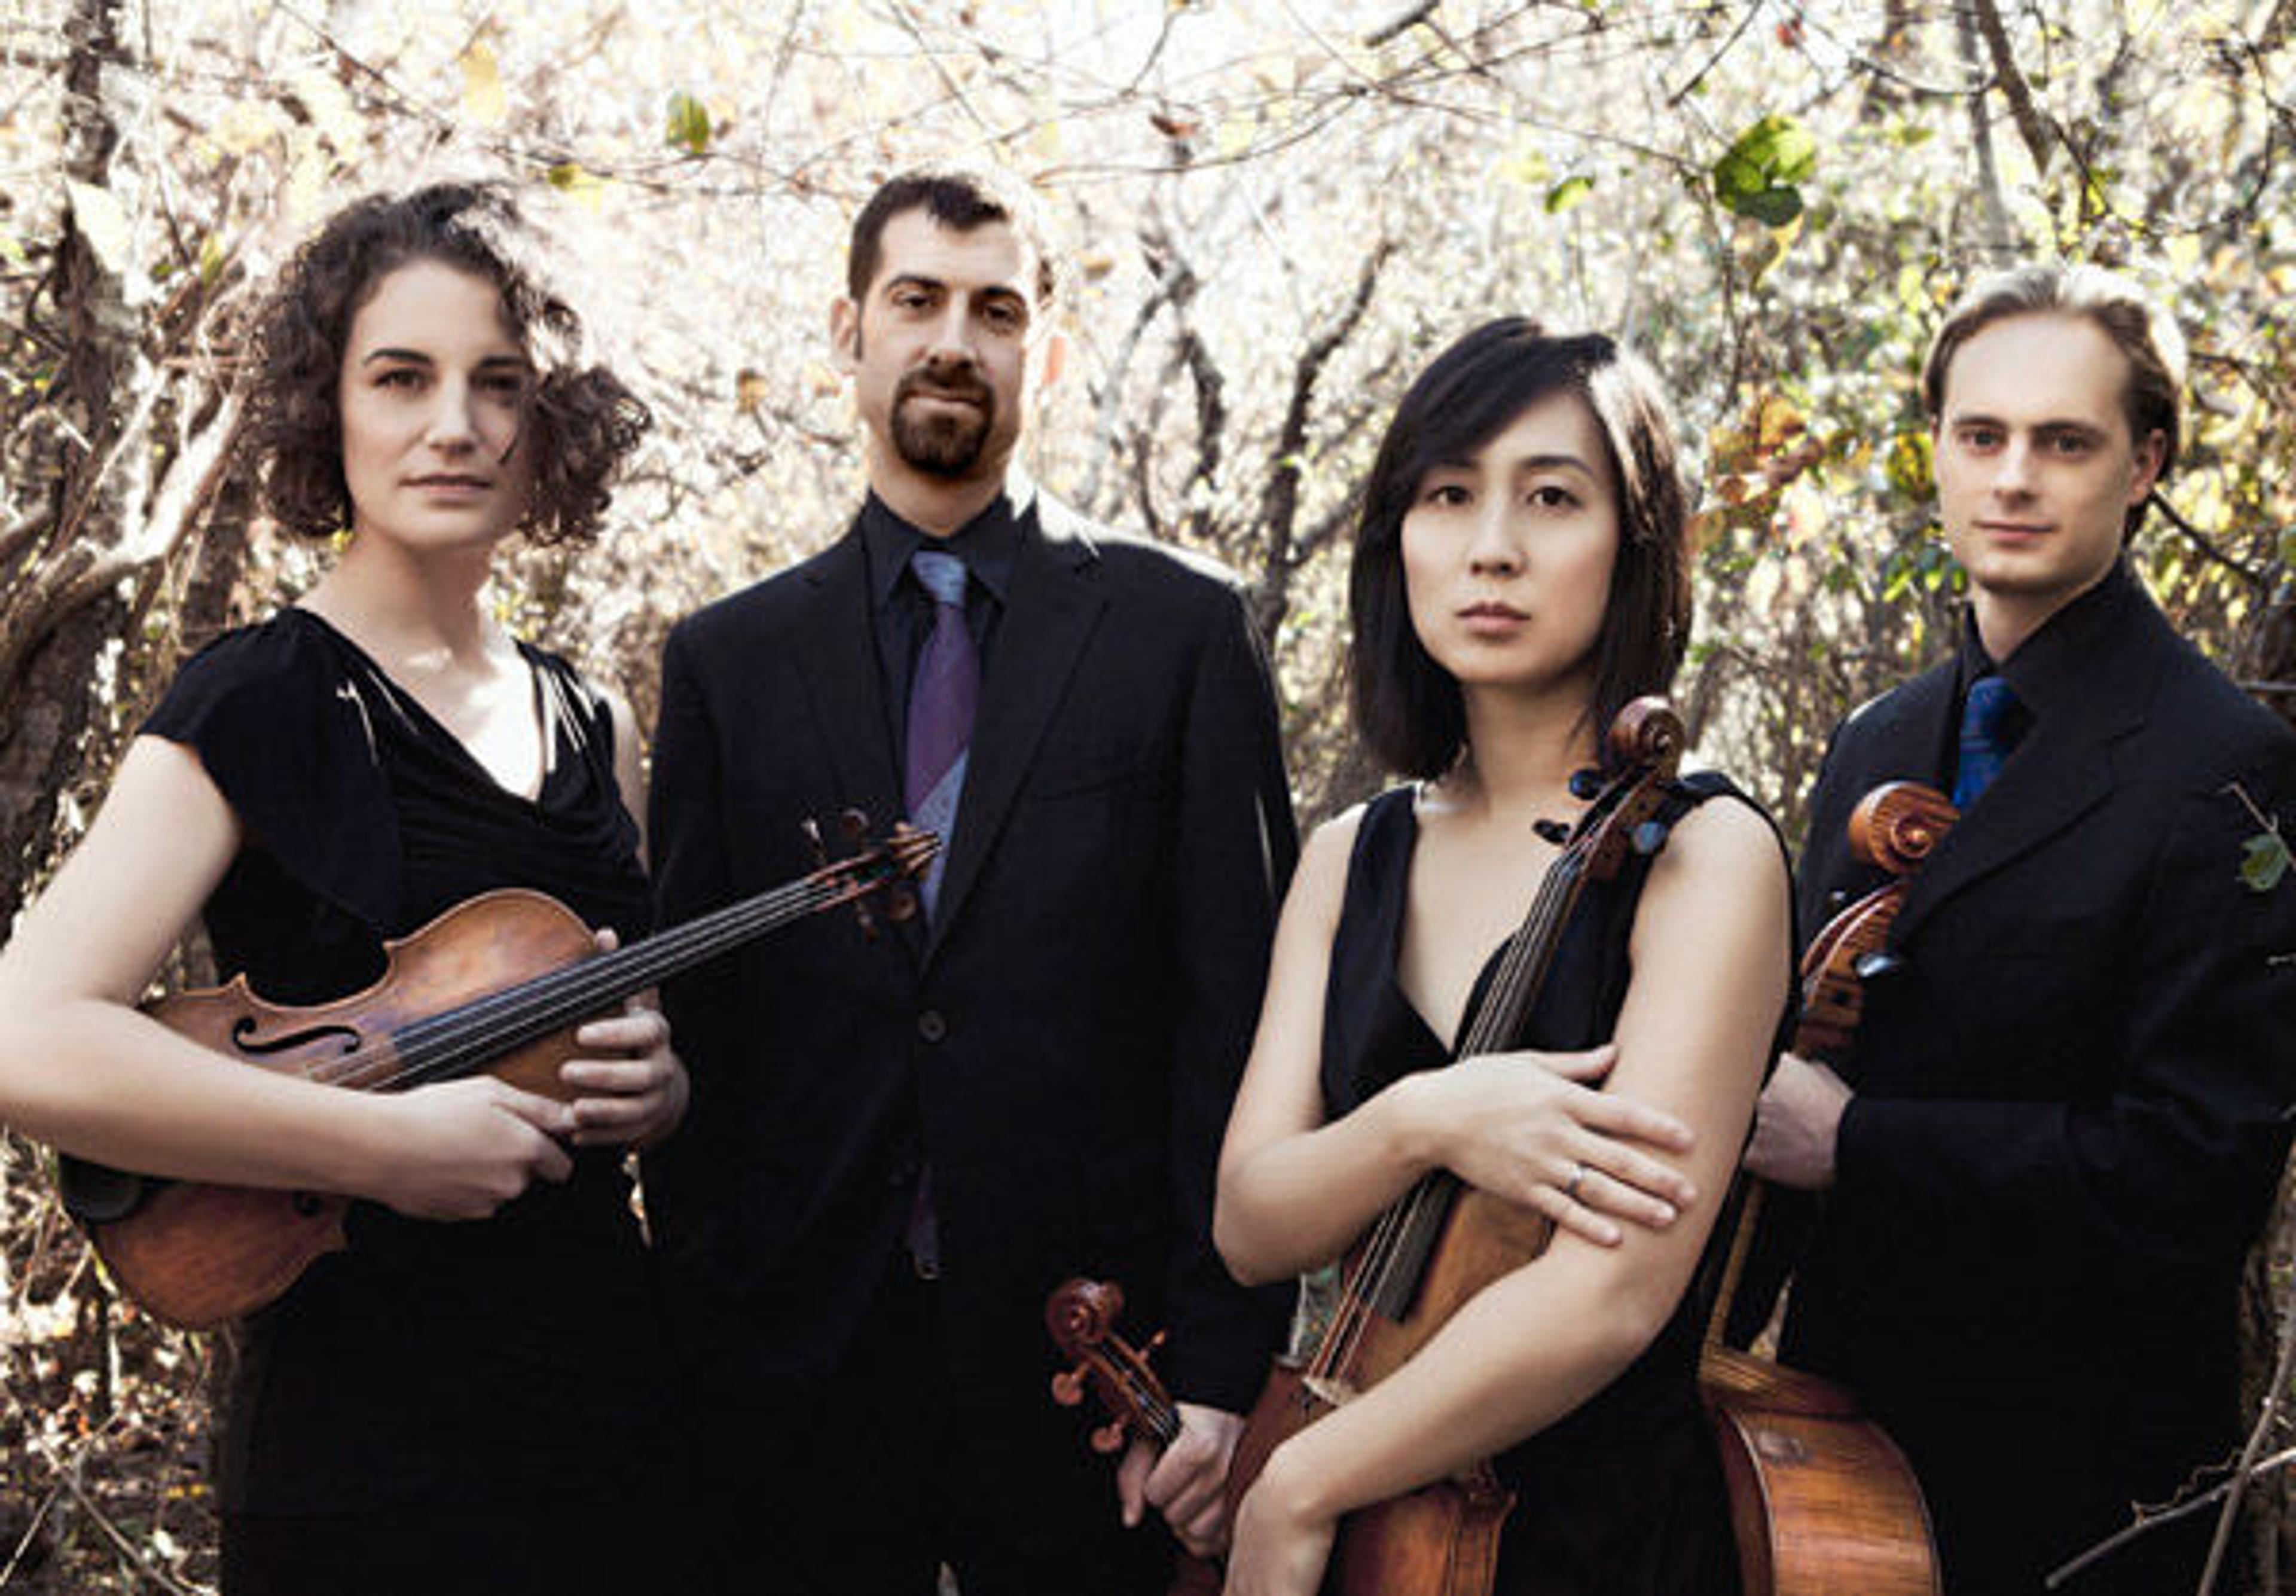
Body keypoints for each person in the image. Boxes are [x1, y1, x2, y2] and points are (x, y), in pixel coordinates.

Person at [0, 182, 685, 1595]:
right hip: (360, 1463)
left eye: (500, 384)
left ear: (545, 421)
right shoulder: (258, 699)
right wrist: (377, 1151)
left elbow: (631, 1050)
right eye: (402, 377)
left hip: (614, 1422)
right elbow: (29, 1036)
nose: (455, 425)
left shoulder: (593, 721)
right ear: (331, 407)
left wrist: (661, 1090)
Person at [643, 166, 1297, 1594]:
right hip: (798, 1374)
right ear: (849, 332)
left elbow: (1240, 1023)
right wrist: (708, 1333)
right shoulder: (725, 666)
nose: (954, 338)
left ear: (1042, 352)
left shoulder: (1179, 634)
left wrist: (1227, 1366)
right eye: (917, 301)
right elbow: (702, 1042)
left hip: (1098, 1372)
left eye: (995, 309)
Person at [1214, 316, 1793, 1596]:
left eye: (1551, 497)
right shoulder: (1348, 855)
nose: (1492, 547)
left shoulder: (1706, 857)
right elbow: (1252, 1221)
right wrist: (1428, 1119)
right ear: (1397, 542)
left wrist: (1299, 1485)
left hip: (1588, 1541)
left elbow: (1612, 1300)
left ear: (1633, 541)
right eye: (1448, 495)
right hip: (1373, 1530)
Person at [1742, 263, 2296, 1593]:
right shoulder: (1876, 740)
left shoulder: (2231, 765)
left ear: (2146, 463)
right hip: (1835, 1438)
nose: (2014, 478)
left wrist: (1859, 1145)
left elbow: (2193, 1173)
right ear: (1936, 450)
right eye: (1980, 436)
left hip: (2081, 1471)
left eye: (2066, 442)